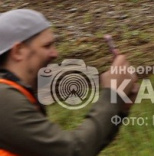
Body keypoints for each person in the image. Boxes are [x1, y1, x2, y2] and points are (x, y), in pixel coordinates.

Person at [0, 9, 138, 155]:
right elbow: (72, 151)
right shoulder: (4, 97)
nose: (55, 53)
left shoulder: (14, 93)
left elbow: (85, 147)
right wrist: (112, 95)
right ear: (18, 51)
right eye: (47, 46)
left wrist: (119, 108)